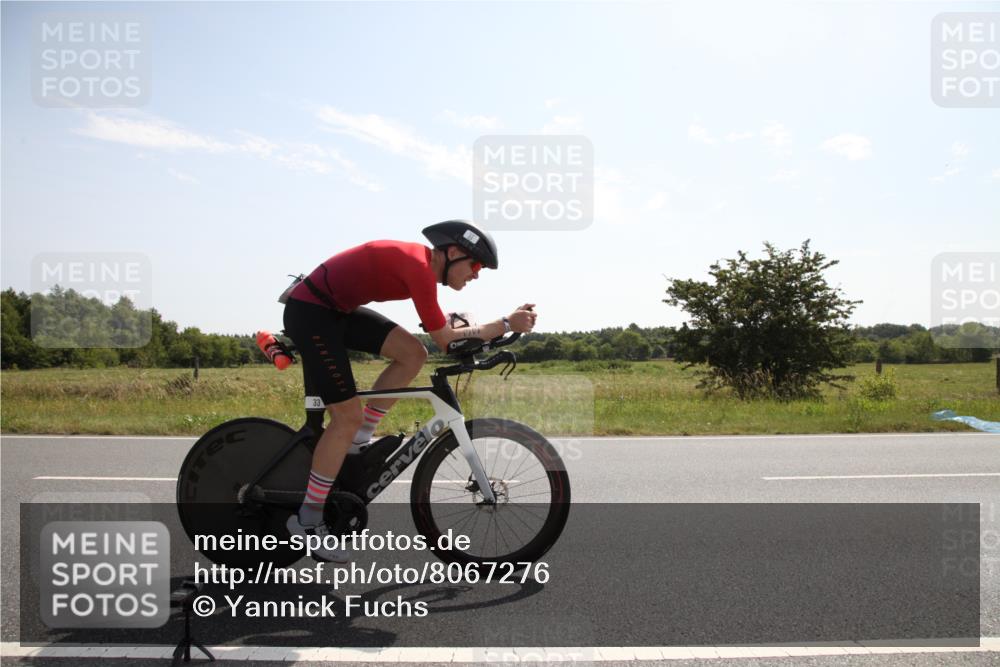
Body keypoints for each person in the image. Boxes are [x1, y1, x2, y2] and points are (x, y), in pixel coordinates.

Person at [282, 220, 537, 562]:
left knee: (412, 353)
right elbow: (445, 340)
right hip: (312, 313)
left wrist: (488, 334)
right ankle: (308, 521)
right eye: (476, 265)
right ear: (452, 252)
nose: (476, 275)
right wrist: (505, 323)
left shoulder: (422, 268)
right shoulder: (419, 268)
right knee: (345, 417)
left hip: (334, 310)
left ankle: (359, 438)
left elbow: (445, 336)